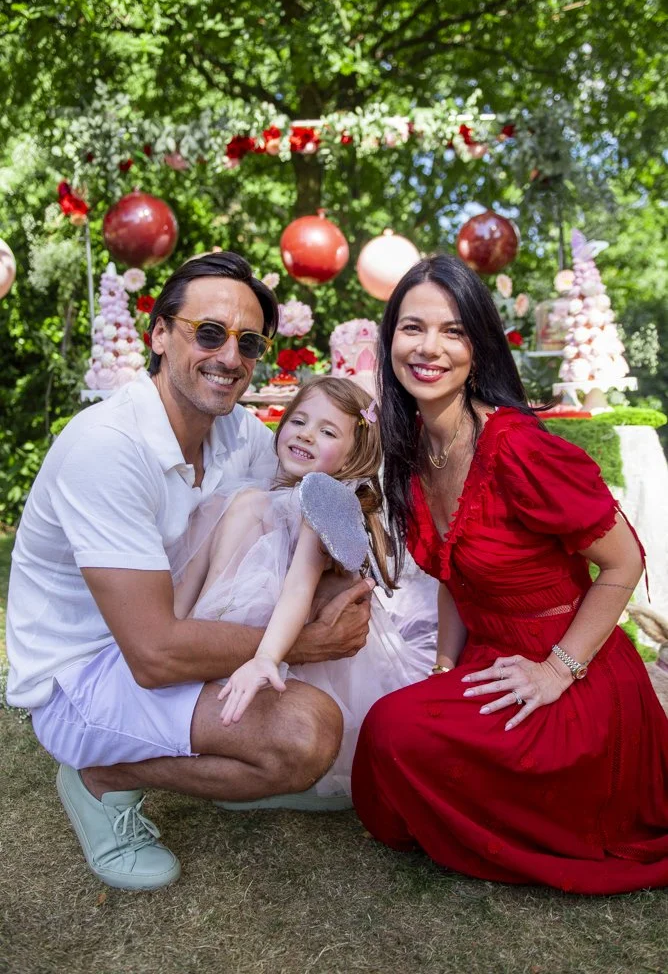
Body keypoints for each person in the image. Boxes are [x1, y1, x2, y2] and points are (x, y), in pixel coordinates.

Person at [6, 251, 374, 891]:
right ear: (158, 335)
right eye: (209, 333)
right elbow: (152, 654)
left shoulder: (238, 433)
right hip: (87, 674)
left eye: (249, 342)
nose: (230, 357)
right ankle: (100, 777)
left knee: (333, 720)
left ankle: (239, 767)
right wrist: (308, 640)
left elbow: (307, 502)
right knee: (306, 737)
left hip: (181, 636)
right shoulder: (108, 448)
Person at [351, 254, 668, 894]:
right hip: (493, 662)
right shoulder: (414, 444)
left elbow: (625, 561)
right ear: (390, 342)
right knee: (389, 746)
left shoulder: (519, 447)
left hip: (574, 679)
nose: (429, 348)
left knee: (392, 730)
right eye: (412, 329)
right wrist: (444, 671)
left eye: (453, 331)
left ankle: (582, 802)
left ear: (480, 346)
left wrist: (557, 671)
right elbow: (451, 572)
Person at [172, 376, 431, 798]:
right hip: (249, 619)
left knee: (243, 507)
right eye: (299, 421)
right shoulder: (259, 493)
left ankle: (194, 648)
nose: (306, 434)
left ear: (352, 456)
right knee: (231, 506)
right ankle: (178, 632)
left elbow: (297, 588)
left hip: (286, 638)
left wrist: (266, 658)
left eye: (328, 432)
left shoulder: (321, 503)